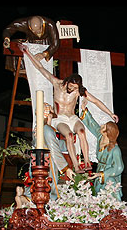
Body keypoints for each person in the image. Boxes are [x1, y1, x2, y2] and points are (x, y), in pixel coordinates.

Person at [19, 43, 118, 172]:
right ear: (68, 82)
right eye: (72, 87)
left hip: (72, 117)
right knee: (69, 136)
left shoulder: (78, 91)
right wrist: (28, 53)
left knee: (82, 132)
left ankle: (87, 162)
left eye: (76, 88)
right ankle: (76, 166)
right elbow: (40, 68)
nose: (73, 90)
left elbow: (96, 101)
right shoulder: (57, 83)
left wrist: (111, 113)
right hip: (59, 118)